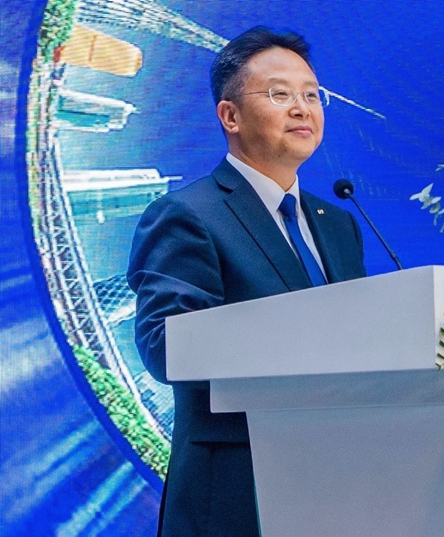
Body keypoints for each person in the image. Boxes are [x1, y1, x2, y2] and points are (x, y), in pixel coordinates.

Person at [127, 26, 367, 536]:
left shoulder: (339, 223)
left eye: (311, 95)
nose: (302, 109)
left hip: (342, 483)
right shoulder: (188, 214)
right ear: (230, 116)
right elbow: (165, 343)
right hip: (236, 492)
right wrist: (298, 340)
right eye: (280, 94)